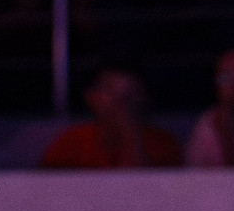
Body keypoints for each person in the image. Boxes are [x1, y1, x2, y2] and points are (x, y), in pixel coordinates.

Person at [39, 66, 182, 170]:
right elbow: (42, 188)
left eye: (132, 92)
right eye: (110, 91)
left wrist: (131, 132)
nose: (121, 101)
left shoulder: (164, 144)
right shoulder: (71, 141)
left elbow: (147, 192)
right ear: (91, 96)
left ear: (145, 97)